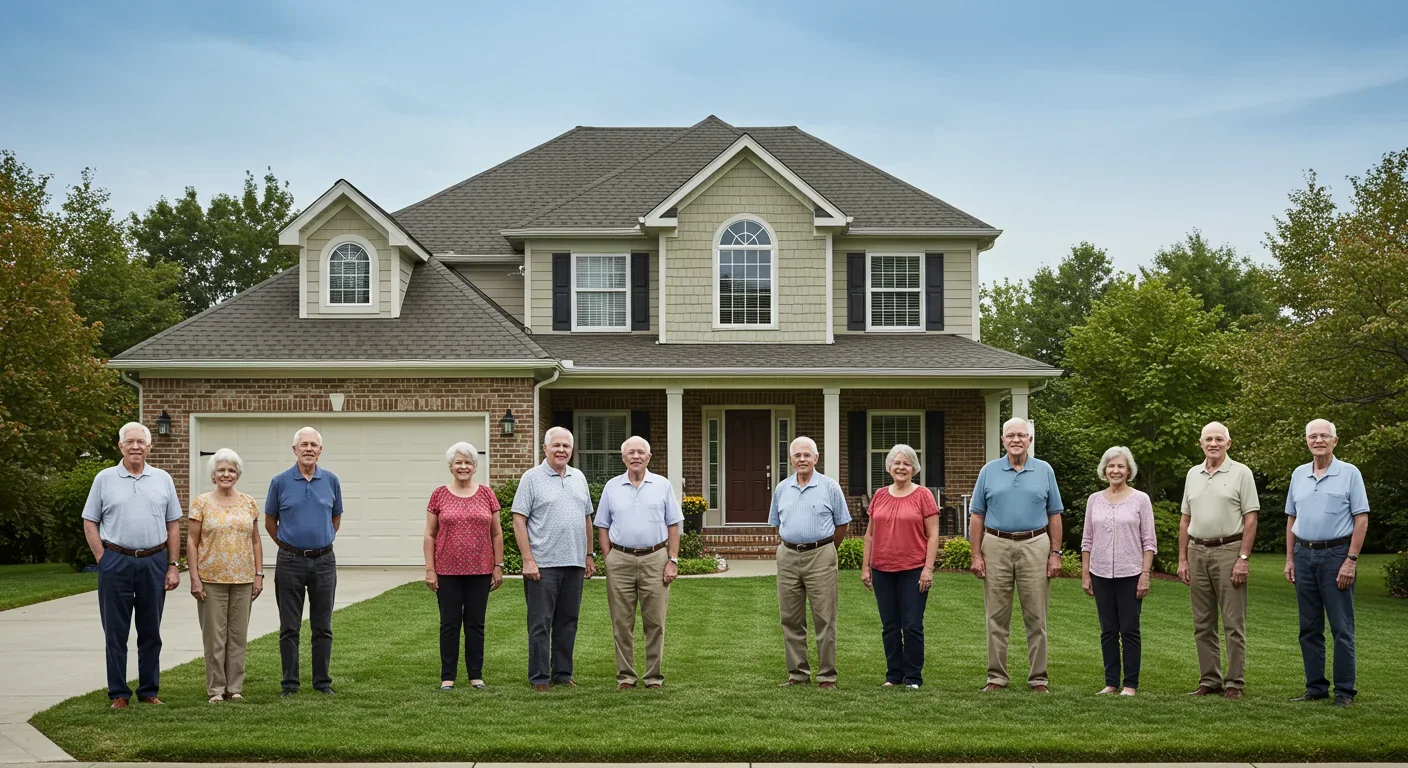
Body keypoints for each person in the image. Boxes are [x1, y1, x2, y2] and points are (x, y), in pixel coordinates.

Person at [81, 422, 182, 709]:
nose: (136, 446)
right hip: (116, 561)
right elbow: (90, 520)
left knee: (151, 631)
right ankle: (119, 694)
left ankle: (149, 690)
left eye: (141, 442)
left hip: (154, 561)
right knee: (116, 631)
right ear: (121, 445)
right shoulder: (104, 478)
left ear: (150, 447)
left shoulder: (163, 478)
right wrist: (103, 557)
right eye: (130, 441)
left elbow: (173, 525)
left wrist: (173, 565)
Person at [969, 416, 1064, 693]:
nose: (1016, 440)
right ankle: (996, 677)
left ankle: (1039, 679)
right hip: (996, 544)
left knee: (1036, 616)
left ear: (1030, 440)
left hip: (1035, 544)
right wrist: (976, 555)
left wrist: (1055, 553)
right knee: (996, 616)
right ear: (1002, 440)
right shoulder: (989, 471)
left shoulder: (1045, 470)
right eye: (1010, 435)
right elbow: (977, 515)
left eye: (1021, 435)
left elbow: (1054, 514)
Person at [1284, 419, 1369, 708]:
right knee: (1308, 627)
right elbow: (1291, 519)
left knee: (1341, 628)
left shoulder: (1349, 473)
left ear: (1335, 440)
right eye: (1313, 436)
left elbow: (1361, 518)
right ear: (1307, 441)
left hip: (1337, 556)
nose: (1318, 440)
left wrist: (1351, 560)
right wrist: (1289, 559)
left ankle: (1344, 692)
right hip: (1304, 555)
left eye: (1324, 435)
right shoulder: (1298, 474)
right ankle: (1315, 688)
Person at [1177, 421, 1259, 699]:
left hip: (1228, 550)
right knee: (1202, 621)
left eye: (1219, 439)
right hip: (1197, 551)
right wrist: (1182, 559)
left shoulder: (1241, 473)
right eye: (1208, 439)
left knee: (1233, 622)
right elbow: (1185, 519)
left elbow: (1251, 518)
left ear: (1228, 443)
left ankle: (1234, 682)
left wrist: (1243, 558)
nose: (1213, 443)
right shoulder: (1193, 474)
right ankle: (1209, 679)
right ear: (1200, 443)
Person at [511, 426, 596, 690]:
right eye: (556, 445)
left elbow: (587, 519)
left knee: (568, 621)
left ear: (572, 450)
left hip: (574, 563)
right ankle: (539, 677)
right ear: (545, 448)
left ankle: (562, 674)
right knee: (540, 623)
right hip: (543, 564)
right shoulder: (531, 478)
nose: (561, 450)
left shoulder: (578, 477)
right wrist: (528, 559)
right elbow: (518, 519)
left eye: (566, 446)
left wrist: (589, 555)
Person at [595, 436, 683, 690]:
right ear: (623, 458)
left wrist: (672, 560)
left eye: (640, 452)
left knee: (655, 622)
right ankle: (626, 676)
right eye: (630, 452)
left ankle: (653, 677)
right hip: (620, 559)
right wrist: (608, 556)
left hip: (655, 557)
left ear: (648, 457)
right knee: (622, 622)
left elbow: (673, 525)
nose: (635, 456)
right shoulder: (612, 487)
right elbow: (602, 525)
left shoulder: (662, 485)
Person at [265, 426, 343, 697]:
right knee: (290, 626)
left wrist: (321, 540)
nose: (309, 449)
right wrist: (288, 546)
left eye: (314, 445)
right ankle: (290, 684)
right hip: (290, 561)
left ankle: (322, 682)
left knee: (323, 625)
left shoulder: (331, 481)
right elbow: (270, 521)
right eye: (304, 444)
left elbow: (335, 518)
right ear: (294, 450)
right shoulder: (279, 482)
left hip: (324, 561)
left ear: (320, 450)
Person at [770, 436, 851, 689]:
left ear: (816, 458)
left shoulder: (830, 487)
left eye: (807, 455)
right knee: (790, 618)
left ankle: (827, 676)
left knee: (824, 618)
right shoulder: (782, 488)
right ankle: (797, 673)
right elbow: (777, 523)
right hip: (788, 556)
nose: (802, 459)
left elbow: (842, 524)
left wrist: (827, 550)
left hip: (821, 554)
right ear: (791, 460)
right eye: (797, 455)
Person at [424, 442, 505, 691]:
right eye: (458, 462)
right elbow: (430, 534)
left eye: (468, 462)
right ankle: (447, 676)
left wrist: (498, 565)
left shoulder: (486, 494)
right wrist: (430, 569)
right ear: (451, 466)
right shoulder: (439, 494)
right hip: (447, 571)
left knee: (475, 624)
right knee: (449, 624)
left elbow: (497, 533)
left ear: (474, 466)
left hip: (480, 571)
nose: (463, 466)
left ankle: (475, 675)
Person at [860, 444, 940, 690]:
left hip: (913, 569)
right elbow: (870, 535)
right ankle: (893, 675)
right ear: (889, 467)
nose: (901, 467)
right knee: (890, 626)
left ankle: (913, 677)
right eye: (897, 463)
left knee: (912, 624)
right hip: (883, 569)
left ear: (914, 468)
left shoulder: (923, 495)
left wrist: (928, 569)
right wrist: (866, 567)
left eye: (906, 463)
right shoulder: (880, 495)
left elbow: (933, 535)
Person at [188, 448, 264, 704]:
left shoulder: (248, 502)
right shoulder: (201, 503)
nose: (226, 474)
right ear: (213, 474)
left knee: (238, 635)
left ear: (238, 474)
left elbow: (255, 540)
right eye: (221, 470)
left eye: (231, 470)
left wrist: (259, 574)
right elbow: (191, 541)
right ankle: (216, 690)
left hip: (243, 579)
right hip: (211, 579)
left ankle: (235, 687)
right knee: (214, 637)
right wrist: (195, 578)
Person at [1080, 446, 1156, 697]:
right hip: (1100, 573)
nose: (1115, 470)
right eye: (1111, 466)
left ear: (1129, 471)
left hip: (1131, 573)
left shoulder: (1140, 499)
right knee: (1108, 630)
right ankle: (1111, 682)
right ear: (1104, 470)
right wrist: (1086, 573)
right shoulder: (1094, 500)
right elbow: (1087, 540)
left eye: (1121, 466)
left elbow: (1149, 541)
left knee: (1130, 629)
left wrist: (1145, 574)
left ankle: (1130, 685)